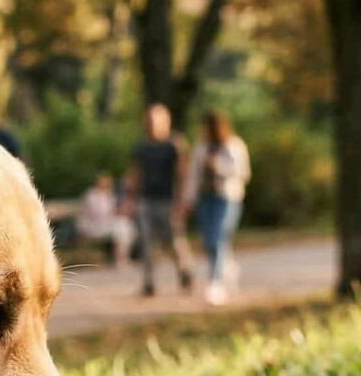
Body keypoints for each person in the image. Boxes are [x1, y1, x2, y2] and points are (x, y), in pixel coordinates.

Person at [125, 102, 194, 296]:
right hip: (146, 200)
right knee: (147, 243)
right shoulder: (141, 146)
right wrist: (129, 199)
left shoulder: (175, 144)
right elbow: (135, 174)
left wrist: (181, 201)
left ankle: (185, 271)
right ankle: (149, 283)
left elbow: (182, 174)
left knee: (173, 242)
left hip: (168, 200)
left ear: (166, 121)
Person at [186, 110, 251, 306]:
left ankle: (215, 282)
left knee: (218, 237)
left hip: (227, 198)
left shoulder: (234, 145)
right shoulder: (202, 147)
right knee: (209, 239)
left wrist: (218, 166)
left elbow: (243, 173)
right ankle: (228, 269)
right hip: (206, 198)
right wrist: (188, 199)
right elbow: (193, 175)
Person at [77, 173, 136, 268]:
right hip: (91, 226)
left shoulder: (109, 195)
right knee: (121, 228)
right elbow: (97, 213)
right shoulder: (91, 195)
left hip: (106, 224)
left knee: (126, 226)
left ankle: (122, 258)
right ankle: (120, 259)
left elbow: (112, 211)